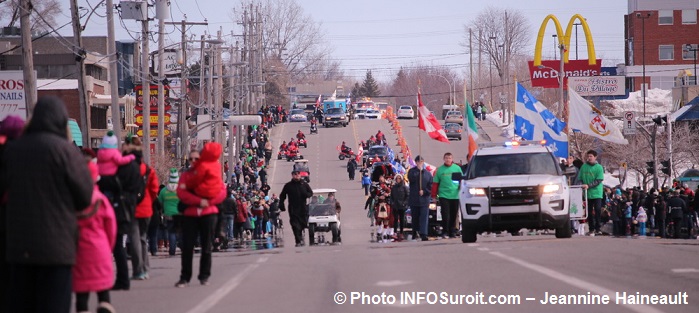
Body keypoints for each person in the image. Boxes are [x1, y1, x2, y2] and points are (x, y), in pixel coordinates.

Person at [0, 96, 93, 313]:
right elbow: (84, 196)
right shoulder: (66, 151)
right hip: (57, 247)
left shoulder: (14, 151)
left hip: (19, 246)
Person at [175, 148, 227, 288]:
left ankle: (204, 276)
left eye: (196, 159)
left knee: (206, 247)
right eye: (190, 159)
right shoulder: (186, 175)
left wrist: (208, 202)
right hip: (190, 214)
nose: (193, 161)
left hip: (208, 214)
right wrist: (198, 201)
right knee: (187, 247)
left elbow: (221, 192)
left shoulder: (210, 173)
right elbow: (181, 192)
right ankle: (185, 277)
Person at [73, 161, 117, 313]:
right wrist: (108, 247)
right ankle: (104, 304)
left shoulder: (71, 200)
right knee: (102, 285)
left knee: (81, 290)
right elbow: (111, 226)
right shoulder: (101, 199)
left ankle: (82, 308)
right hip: (100, 248)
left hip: (78, 250)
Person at [130, 143, 159, 280]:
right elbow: (154, 190)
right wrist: (148, 200)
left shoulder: (127, 169)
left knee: (134, 238)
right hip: (146, 208)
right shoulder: (148, 170)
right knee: (142, 238)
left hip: (131, 207)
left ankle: (138, 270)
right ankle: (145, 268)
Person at [279, 170, 313, 247]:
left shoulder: (304, 184)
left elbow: (310, 193)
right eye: (295, 174)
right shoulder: (288, 185)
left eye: (298, 174)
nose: (296, 176)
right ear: (292, 175)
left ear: (300, 175)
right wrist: (281, 205)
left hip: (303, 208)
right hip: (293, 208)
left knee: (302, 224)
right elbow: (282, 196)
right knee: (295, 225)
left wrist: (306, 195)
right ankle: (298, 240)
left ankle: (301, 234)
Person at [575, 150, 605, 236]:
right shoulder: (584, 166)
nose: (589, 158)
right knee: (589, 212)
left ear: (595, 157)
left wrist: (589, 185)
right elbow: (580, 178)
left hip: (597, 193)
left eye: (591, 156)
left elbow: (599, 180)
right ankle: (591, 229)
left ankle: (598, 228)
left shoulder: (599, 167)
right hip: (587, 193)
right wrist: (581, 185)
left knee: (597, 210)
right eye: (588, 156)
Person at [433, 152, 462, 238]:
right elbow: (435, 184)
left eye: (449, 158)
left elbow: (462, 181)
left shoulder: (457, 168)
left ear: (452, 159)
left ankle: (452, 231)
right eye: (446, 158)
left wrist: (461, 189)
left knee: (454, 214)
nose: (448, 160)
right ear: (444, 159)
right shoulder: (440, 170)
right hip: (443, 195)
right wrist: (434, 196)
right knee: (445, 214)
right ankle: (445, 231)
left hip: (455, 195)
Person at [407, 155, 432, 241]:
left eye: (421, 162)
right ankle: (415, 231)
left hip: (424, 200)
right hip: (414, 199)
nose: (420, 163)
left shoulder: (428, 174)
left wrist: (424, 192)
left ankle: (424, 233)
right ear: (416, 162)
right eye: (418, 162)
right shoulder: (412, 171)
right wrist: (418, 171)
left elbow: (430, 186)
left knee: (424, 217)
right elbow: (411, 179)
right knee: (415, 217)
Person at [158, 169, 181, 256]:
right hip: (179, 214)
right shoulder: (180, 190)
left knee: (171, 232)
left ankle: (172, 250)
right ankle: (181, 245)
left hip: (168, 214)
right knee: (180, 231)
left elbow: (159, 202)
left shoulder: (164, 191)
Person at [390, 174, 409, 240]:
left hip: (402, 206)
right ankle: (395, 232)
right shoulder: (394, 187)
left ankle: (401, 232)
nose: (398, 180)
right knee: (395, 219)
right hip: (395, 206)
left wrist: (404, 203)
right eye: (397, 178)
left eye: (399, 178)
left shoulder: (404, 187)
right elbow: (391, 196)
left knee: (401, 220)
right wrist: (392, 203)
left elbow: (407, 196)